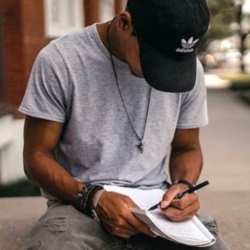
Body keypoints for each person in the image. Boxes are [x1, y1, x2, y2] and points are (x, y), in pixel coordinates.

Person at [19, 0, 229, 249]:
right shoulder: (61, 60)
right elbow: (36, 155)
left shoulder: (188, 69)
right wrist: (93, 198)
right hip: (79, 205)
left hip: (156, 210)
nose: (166, 72)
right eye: (156, 58)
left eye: (174, 60)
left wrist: (184, 186)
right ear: (124, 23)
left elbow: (187, 147)